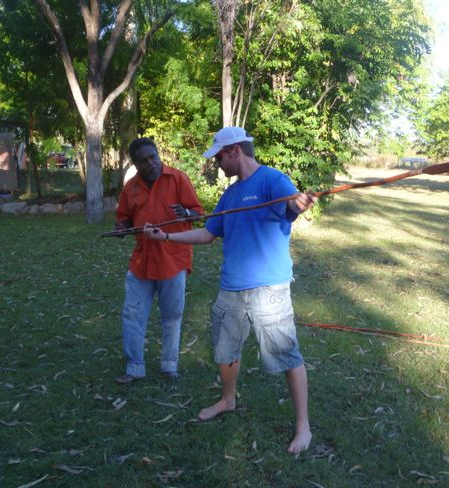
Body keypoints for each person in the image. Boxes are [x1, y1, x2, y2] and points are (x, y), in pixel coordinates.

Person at [144, 126, 316, 454]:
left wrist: (300, 203)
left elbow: (291, 206)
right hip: (231, 287)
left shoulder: (271, 180)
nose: (218, 164)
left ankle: (303, 427)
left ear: (235, 151)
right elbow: (208, 235)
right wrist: (165, 237)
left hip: (269, 289)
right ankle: (228, 399)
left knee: (287, 353)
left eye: (220, 157)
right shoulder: (229, 196)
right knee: (226, 352)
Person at [113, 137, 204, 384]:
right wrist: (121, 228)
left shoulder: (178, 178)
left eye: (153, 157)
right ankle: (134, 367)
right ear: (136, 164)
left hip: (173, 259)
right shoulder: (131, 187)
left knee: (172, 315)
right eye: (144, 161)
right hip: (142, 261)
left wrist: (185, 213)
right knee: (132, 314)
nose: (151, 163)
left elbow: (197, 212)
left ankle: (169, 365)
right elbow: (124, 218)